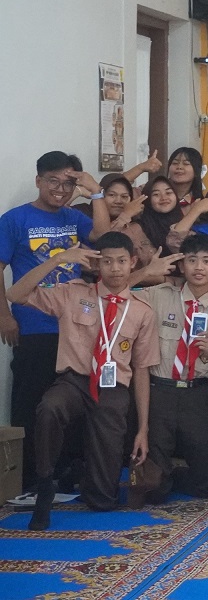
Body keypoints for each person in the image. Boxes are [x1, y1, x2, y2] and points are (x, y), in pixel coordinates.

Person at [8, 232, 158, 530]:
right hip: (74, 381)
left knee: (103, 500)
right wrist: (58, 259)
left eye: (121, 261)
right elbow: (16, 294)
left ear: (133, 262)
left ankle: (86, 476)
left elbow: (142, 370)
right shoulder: (73, 294)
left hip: (113, 388)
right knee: (50, 407)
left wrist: (143, 429)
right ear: (96, 265)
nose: (115, 268)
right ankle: (45, 482)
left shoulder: (143, 310)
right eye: (107, 261)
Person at [0, 151, 111, 489]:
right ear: (38, 180)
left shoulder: (73, 218)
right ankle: (28, 477)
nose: (61, 190)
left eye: (68, 184)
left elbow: (104, 237)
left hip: (74, 327)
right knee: (31, 399)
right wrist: (4, 316)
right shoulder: (15, 219)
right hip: (33, 323)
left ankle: (64, 472)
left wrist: (96, 193)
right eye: (53, 181)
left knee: (68, 401)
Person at [139, 235, 208, 502]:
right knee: (152, 491)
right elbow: (114, 294)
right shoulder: (158, 296)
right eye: (192, 260)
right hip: (159, 391)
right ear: (182, 266)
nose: (199, 267)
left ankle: (174, 475)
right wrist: (145, 272)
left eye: (207, 261)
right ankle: (160, 478)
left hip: (196, 394)